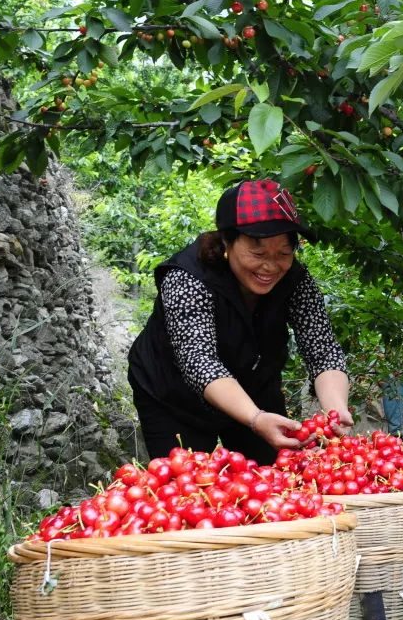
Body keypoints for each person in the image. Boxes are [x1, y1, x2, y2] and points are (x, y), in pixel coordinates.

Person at [127, 178, 352, 465]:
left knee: (274, 476)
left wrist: (336, 412)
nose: (271, 266)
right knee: (190, 486)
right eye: (257, 253)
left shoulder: (296, 281)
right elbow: (199, 361)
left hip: (253, 385)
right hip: (173, 396)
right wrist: (255, 418)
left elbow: (322, 350)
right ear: (226, 242)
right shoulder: (187, 277)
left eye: (283, 253)